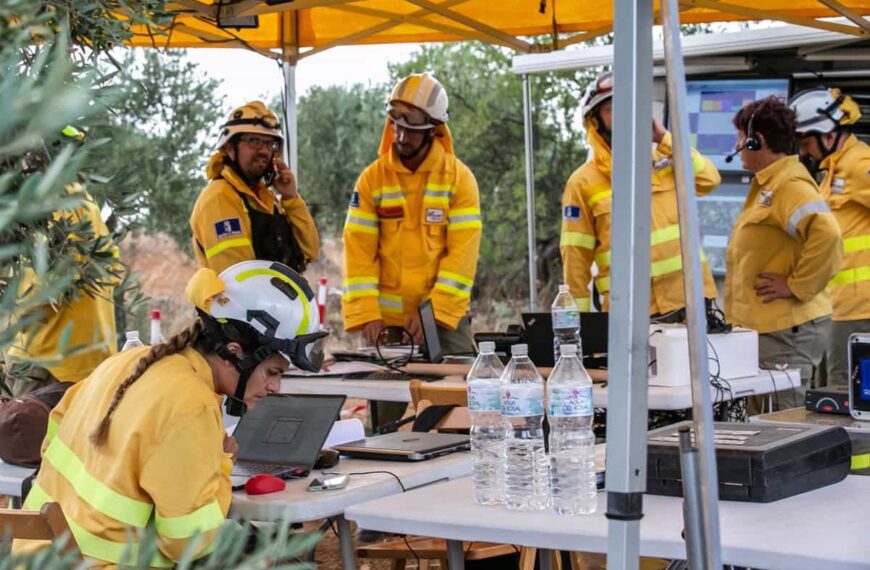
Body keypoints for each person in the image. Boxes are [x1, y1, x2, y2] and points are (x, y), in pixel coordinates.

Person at [13, 260, 327, 565]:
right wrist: (220, 464)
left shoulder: (127, 361)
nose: (276, 387)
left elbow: (54, 431)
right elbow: (189, 544)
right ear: (236, 352)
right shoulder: (192, 403)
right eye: (272, 372)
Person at [342, 72, 482, 429]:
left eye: (411, 128)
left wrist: (432, 315)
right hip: (385, 327)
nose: (401, 136)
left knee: (458, 413)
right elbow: (358, 253)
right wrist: (367, 315)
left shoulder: (458, 179)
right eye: (396, 125)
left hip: (446, 323)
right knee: (387, 423)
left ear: (434, 128)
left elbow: (462, 256)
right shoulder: (372, 180)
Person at [560, 71, 722, 319]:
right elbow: (576, 262)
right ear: (595, 123)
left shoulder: (667, 161)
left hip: (690, 306)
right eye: (613, 108)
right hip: (630, 314)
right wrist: (577, 329)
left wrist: (663, 138)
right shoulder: (582, 183)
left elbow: (708, 180)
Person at [725, 96, 842, 404]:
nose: (737, 145)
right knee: (766, 424)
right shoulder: (770, 185)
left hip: (785, 332)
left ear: (756, 140)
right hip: (768, 330)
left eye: (740, 137)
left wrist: (796, 285)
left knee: (783, 430)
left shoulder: (788, 185)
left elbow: (828, 234)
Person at [3, 126, 119, 396]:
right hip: (82, 359)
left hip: (49, 364)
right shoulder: (81, 201)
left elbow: (43, 289)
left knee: (28, 436)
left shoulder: (54, 204)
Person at [789, 87, 870, 387]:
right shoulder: (834, 171)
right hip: (835, 308)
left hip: (858, 309)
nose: (803, 151)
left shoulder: (860, 166)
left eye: (806, 142)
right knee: (830, 393)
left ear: (827, 134)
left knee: (847, 391)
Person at [190, 101, 319, 274]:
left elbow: (309, 251)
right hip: (247, 301)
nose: (264, 151)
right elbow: (241, 278)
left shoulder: (265, 198)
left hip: (277, 300)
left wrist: (291, 199)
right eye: (254, 141)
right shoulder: (219, 197)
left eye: (270, 144)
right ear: (230, 148)